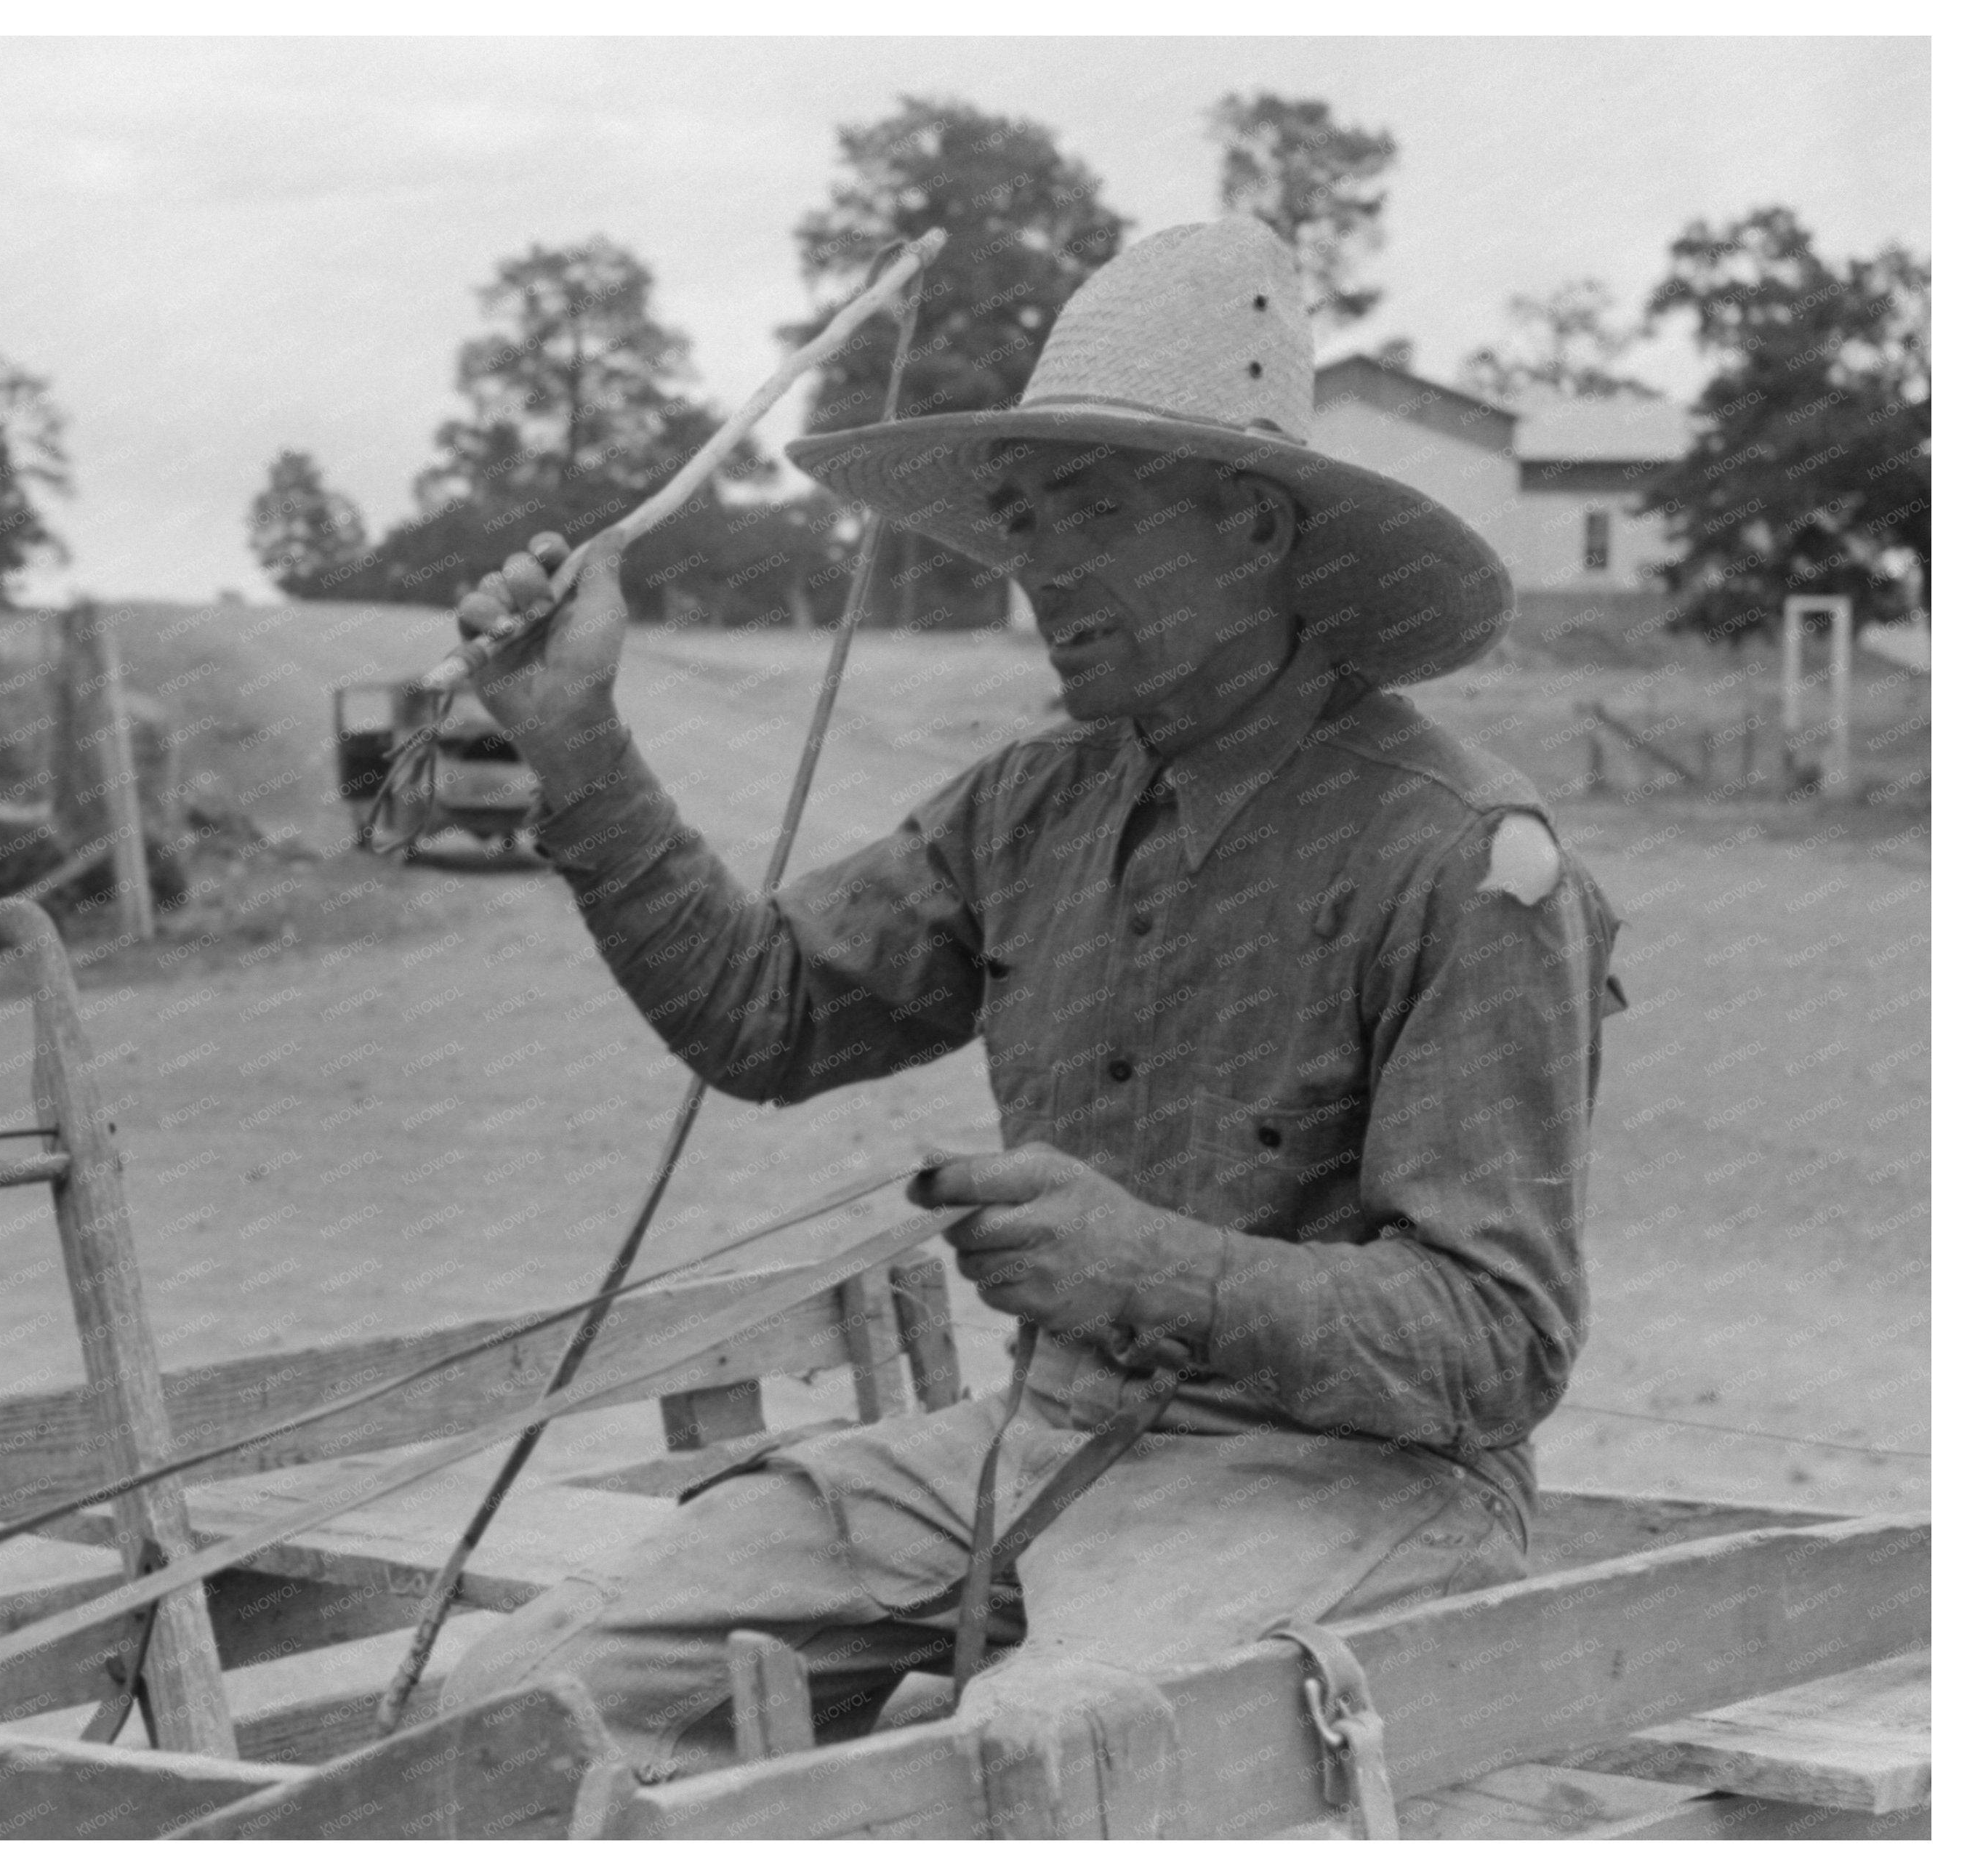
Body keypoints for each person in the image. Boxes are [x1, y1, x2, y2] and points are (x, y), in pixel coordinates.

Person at [433, 219, 1628, 1780]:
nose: (1038, 566)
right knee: (517, 1715)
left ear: (1254, 527)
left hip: (1352, 1484)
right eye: (1020, 517)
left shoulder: (1466, 861)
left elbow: (1498, 1344)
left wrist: (1153, 1267)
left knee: (1035, 1762)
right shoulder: (1030, 805)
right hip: (1035, 1446)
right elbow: (763, 1013)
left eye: (1096, 511)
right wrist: (575, 740)